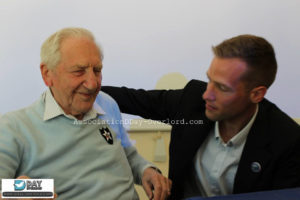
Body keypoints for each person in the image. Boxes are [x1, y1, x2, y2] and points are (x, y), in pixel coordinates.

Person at [101, 34, 300, 199]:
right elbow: (134, 98)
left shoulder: (287, 142)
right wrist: (87, 90)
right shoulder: (192, 100)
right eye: (209, 80)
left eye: (222, 87)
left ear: (257, 94)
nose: (207, 94)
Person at [0, 27, 171, 200]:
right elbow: (6, 189)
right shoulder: (13, 128)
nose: (92, 84)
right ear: (47, 74)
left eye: (97, 70)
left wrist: (146, 170)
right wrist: (24, 190)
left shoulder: (106, 104)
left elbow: (125, 152)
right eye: (78, 71)